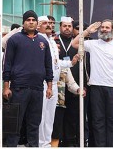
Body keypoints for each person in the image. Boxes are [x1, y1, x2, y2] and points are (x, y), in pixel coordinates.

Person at [71, 19, 113, 147]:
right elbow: (74, 43)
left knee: (112, 121)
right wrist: (87, 31)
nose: (104, 29)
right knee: (98, 121)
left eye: (107, 27)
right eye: (102, 27)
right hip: (95, 86)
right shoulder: (93, 44)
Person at [3, 10, 53, 147]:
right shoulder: (14, 40)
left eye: (33, 20)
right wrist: (6, 87)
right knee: (15, 123)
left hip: (37, 89)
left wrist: (49, 87)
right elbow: (7, 64)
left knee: (34, 123)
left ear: (37, 23)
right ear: (23, 22)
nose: (31, 22)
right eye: (28, 20)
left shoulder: (43, 41)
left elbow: (48, 66)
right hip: (18, 88)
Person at [38, 16, 82, 147]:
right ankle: (40, 144)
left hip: (55, 84)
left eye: (50, 24)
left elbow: (56, 63)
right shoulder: (38, 40)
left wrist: (71, 62)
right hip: (44, 83)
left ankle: (46, 144)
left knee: (50, 117)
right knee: (42, 116)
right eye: (44, 23)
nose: (48, 26)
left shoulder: (51, 40)